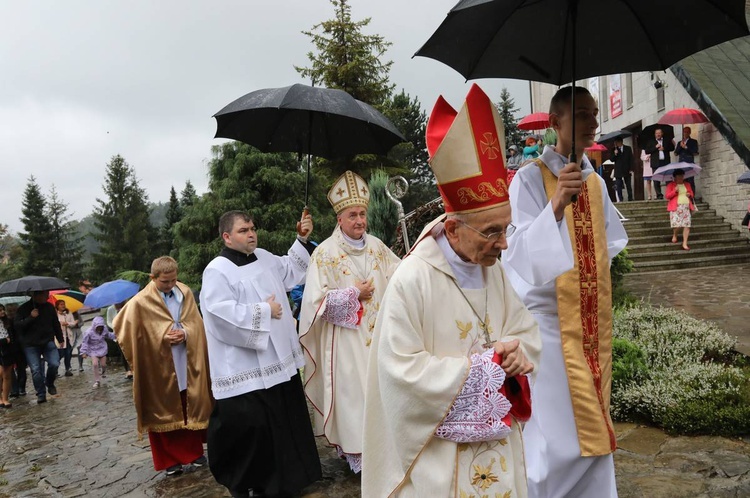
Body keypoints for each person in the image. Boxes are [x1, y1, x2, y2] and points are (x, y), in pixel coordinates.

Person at [363, 84, 541, 497]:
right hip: (441, 464)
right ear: (454, 228)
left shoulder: (492, 268)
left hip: (497, 444)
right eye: (492, 231)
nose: (504, 243)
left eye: (506, 226)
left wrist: (517, 352)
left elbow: (523, 330)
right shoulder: (413, 280)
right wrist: (477, 370)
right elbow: (398, 374)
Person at [503, 86, 628, 498]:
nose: (593, 123)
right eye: (582, 115)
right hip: (549, 330)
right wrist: (556, 204)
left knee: (595, 433)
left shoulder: (595, 181)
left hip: (590, 327)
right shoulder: (527, 179)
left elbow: (607, 246)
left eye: (594, 114)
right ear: (555, 123)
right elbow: (518, 255)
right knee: (555, 439)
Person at [201, 210, 321, 498]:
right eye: (244, 230)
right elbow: (219, 316)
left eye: (253, 228)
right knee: (253, 429)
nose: (251, 234)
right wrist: (265, 311)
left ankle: (292, 478)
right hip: (246, 369)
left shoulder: (265, 257)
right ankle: (254, 482)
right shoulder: (217, 270)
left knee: (285, 420)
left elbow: (292, 270)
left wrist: (302, 239)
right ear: (227, 236)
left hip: (279, 364)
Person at [299, 170, 400, 473]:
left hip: (381, 336)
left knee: (386, 392)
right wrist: (355, 293)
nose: (359, 220)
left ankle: (389, 447)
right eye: (352, 215)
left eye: (362, 214)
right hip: (346, 340)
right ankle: (360, 455)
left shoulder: (378, 246)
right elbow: (316, 305)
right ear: (339, 219)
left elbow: (399, 278)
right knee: (356, 396)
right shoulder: (323, 254)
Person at [114, 257, 212, 477]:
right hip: (158, 365)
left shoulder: (184, 292)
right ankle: (169, 461)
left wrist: (186, 333)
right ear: (153, 277)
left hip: (185, 358)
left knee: (188, 405)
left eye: (173, 280)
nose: (170, 285)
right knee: (163, 410)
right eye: (165, 282)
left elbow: (197, 322)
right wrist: (160, 337)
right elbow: (123, 327)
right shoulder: (140, 302)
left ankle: (194, 453)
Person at [14, 291, 64, 404]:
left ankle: (49, 383)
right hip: (30, 344)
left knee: (54, 363)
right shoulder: (23, 309)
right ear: (35, 295)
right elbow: (17, 326)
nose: (47, 297)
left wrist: (60, 338)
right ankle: (41, 394)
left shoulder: (49, 307)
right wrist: (31, 317)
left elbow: (55, 323)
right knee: (36, 370)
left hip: (47, 341)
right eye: (44, 295)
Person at [79, 316, 117, 388]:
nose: (99, 328)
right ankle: (97, 381)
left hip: (102, 348)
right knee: (95, 364)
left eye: (101, 326)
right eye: (98, 327)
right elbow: (85, 342)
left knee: (103, 364)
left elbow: (109, 335)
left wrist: (116, 335)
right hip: (93, 350)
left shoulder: (104, 330)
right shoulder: (88, 332)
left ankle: (103, 371)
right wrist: (83, 352)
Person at [666, 169, 696, 251]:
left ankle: (685, 243)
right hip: (675, 207)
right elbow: (667, 196)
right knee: (677, 225)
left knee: (687, 225)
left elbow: (692, 194)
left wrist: (689, 194)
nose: (681, 178)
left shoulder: (687, 184)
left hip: (686, 207)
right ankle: (675, 235)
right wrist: (675, 191)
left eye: (682, 176)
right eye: (679, 176)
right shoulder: (671, 185)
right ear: (675, 177)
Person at [645, 127, 674, 200]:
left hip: (665, 162)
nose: (658, 134)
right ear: (655, 134)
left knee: (668, 178)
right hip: (655, 163)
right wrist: (655, 147)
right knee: (656, 179)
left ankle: (669, 193)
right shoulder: (651, 142)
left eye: (659, 133)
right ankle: (659, 195)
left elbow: (672, 148)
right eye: (656, 133)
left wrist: (664, 148)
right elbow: (647, 151)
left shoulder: (667, 140)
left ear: (662, 134)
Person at [107, 301, 132, 379]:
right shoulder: (110, 309)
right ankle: (128, 370)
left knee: (132, 350)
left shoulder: (128, 306)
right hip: (118, 333)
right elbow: (109, 321)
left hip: (129, 331)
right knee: (123, 351)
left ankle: (134, 368)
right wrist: (114, 326)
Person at [6, 303, 27, 398]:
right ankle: (19, 388)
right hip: (17, 347)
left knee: (15, 369)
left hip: (15, 347)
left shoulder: (12, 321)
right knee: (20, 368)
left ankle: (16, 389)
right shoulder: (18, 320)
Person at [675, 126, 699, 196]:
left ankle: (692, 196)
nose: (685, 133)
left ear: (689, 133)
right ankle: (683, 195)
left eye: (687, 132)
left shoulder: (693, 141)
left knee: (690, 180)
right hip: (681, 163)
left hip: (689, 162)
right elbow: (676, 153)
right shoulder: (680, 142)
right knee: (682, 180)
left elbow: (695, 151)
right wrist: (680, 146)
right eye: (684, 132)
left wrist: (686, 147)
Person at [54, 300, 75, 377]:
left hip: (68, 336)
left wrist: (68, 324)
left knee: (68, 354)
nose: (63, 306)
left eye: (64, 304)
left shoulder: (68, 313)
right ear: (57, 306)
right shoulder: (55, 315)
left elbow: (73, 323)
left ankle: (67, 369)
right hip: (59, 338)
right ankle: (55, 370)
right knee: (60, 354)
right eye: (61, 304)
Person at [0, 304, 15, 408]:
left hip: (8, 350)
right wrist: (5, 340)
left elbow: (13, 335)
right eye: (0, 311)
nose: (2, 312)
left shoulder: (8, 322)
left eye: (3, 310)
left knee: (7, 374)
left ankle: (5, 398)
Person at [612, 137, 634, 201]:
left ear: (620, 142)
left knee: (628, 185)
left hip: (626, 169)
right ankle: (620, 198)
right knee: (618, 185)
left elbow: (631, 159)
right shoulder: (614, 149)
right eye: (615, 143)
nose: (616, 144)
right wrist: (615, 154)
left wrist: (631, 168)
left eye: (617, 142)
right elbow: (611, 159)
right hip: (618, 170)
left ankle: (630, 198)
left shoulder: (628, 148)